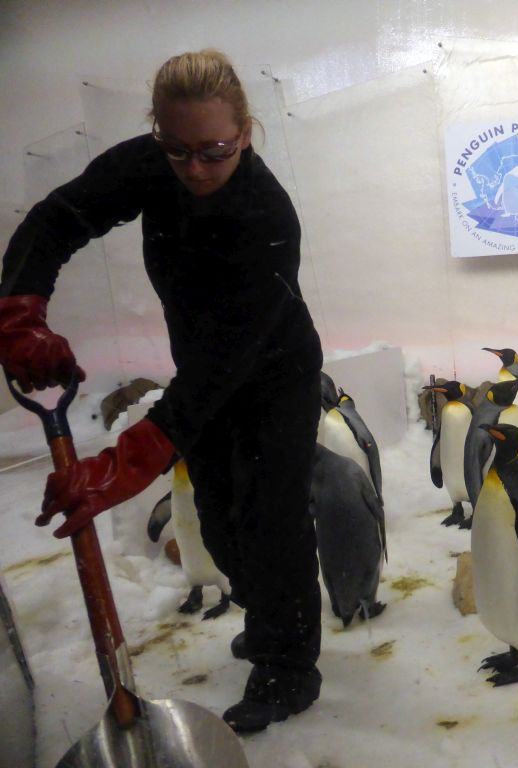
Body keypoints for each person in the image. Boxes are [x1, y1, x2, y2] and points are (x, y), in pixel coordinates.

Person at [0, 50, 324, 733]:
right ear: (157, 133)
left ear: (247, 132)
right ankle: (266, 616)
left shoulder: (267, 217)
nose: (197, 169)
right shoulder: (152, 164)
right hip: (201, 374)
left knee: (271, 522)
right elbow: (58, 219)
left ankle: (289, 665)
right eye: (179, 151)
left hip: (273, 379)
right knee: (217, 521)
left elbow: (218, 369)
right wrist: (20, 310)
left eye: (215, 150)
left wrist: (125, 462)